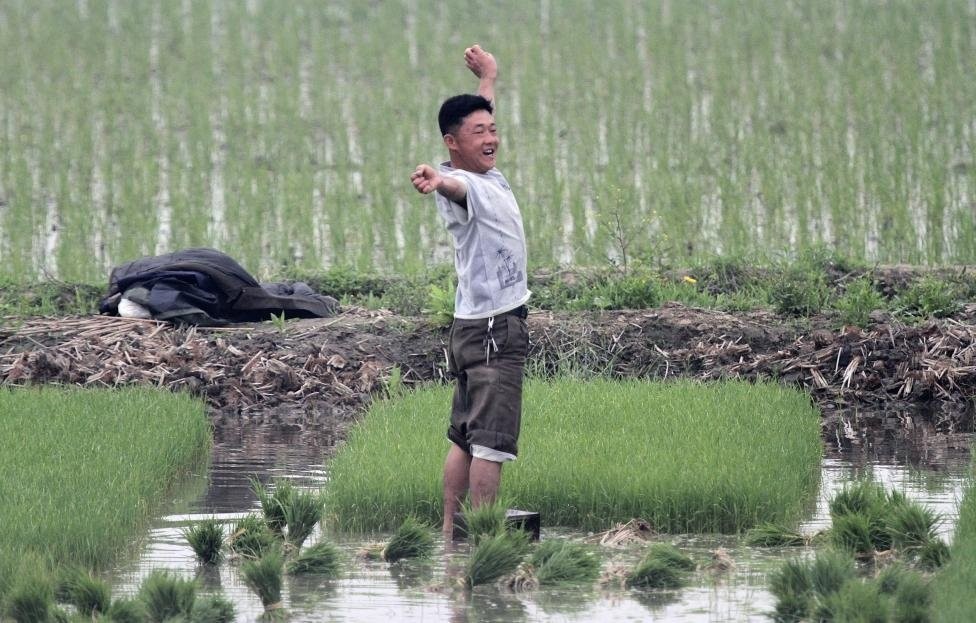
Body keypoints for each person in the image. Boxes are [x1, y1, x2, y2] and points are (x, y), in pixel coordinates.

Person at [410, 44, 531, 537]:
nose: (491, 138)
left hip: (470, 326)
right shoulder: (466, 186)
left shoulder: (486, 172)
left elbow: (474, 127)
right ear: (451, 144)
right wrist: (438, 180)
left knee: (463, 435)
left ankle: (450, 537)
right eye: (479, 133)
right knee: (491, 442)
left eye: (493, 130)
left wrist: (489, 80)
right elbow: (455, 187)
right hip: (495, 328)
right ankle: (484, 539)